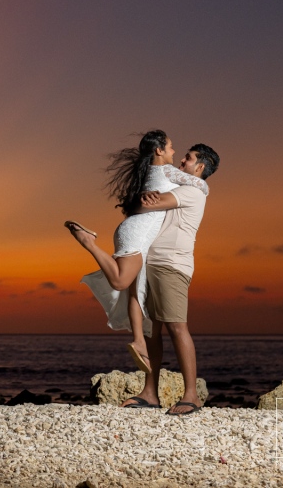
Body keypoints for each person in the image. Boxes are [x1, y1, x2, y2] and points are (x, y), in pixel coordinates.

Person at [65, 131, 208, 373]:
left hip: (135, 230)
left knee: (136, 292)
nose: (175, 153)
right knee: (121, 281)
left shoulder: (150, 171)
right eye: (172, 148)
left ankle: (140, 341)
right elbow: (199, 184)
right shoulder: (167, 171)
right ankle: (88, 241)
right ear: (159, 151)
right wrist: (203, 184)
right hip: (139, 232)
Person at [119, 143, 220, 414]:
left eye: (188, 158)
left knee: (177, 327)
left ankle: (191, 396)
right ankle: (150, 393)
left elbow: (151, 202)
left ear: (199, 168)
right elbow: (146, 204)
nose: (182, 161)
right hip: (154, 261)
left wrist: (151, 196)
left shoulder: (192, 191)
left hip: (172, 264)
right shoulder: (181, 188)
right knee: (153, 331)